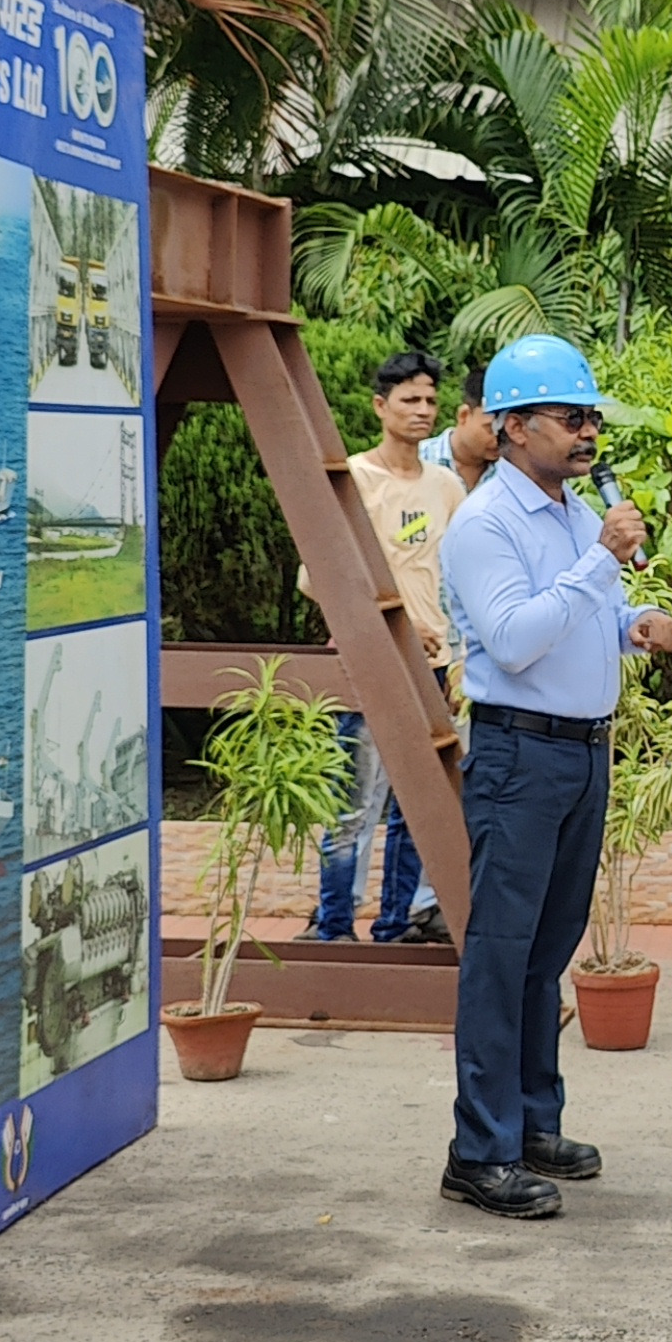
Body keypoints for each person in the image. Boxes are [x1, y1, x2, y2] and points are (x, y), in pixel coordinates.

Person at [433, 333, 672, 1222]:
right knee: (501, 957)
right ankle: (478, 1152)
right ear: (510, 428)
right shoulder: (485, 525)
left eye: (590, 418)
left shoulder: (579, 513)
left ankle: (534, 1126)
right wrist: (602, 563)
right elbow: (512, 638)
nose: (587, 432)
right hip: (517, 755)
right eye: (569, 418)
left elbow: (589, 616)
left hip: (582, 750)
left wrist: (638, 623)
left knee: (546, 954)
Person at [310, 351, 462, 945]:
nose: (422, 411)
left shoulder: (447, 486)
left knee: (418, 809)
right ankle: (334, 929)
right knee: (353, 805)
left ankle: (395, 925)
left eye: (430, 401)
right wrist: (381, 628)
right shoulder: (352, 479)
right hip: (370, 666)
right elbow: (320, 576)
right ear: (380, 406)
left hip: (435, 668)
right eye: (409, 400)